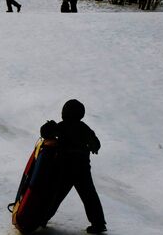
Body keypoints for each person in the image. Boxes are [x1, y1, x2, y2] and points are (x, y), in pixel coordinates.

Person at [40, 99, 107, 234]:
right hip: (82, 169)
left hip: (64, 168)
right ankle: (99, 224)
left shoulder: (61, 126)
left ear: (64, 112)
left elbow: (45, 133)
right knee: (89, 196)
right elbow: (96, 144)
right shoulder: (84, 128)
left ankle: (42, 218)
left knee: (55, 195)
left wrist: (50, 126)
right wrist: (92, 147)